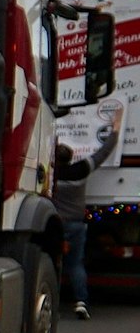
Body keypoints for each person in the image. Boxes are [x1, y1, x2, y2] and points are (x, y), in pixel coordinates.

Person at [55, 101, 123, 319]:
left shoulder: (51, 175)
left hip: (55, 225)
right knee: (76, 264)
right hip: (76, 225)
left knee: (53, 263)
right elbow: (104, 151)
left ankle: (51, 302)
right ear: (71, 156)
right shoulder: (82, 169)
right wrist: (116, 127)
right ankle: (81, 302)